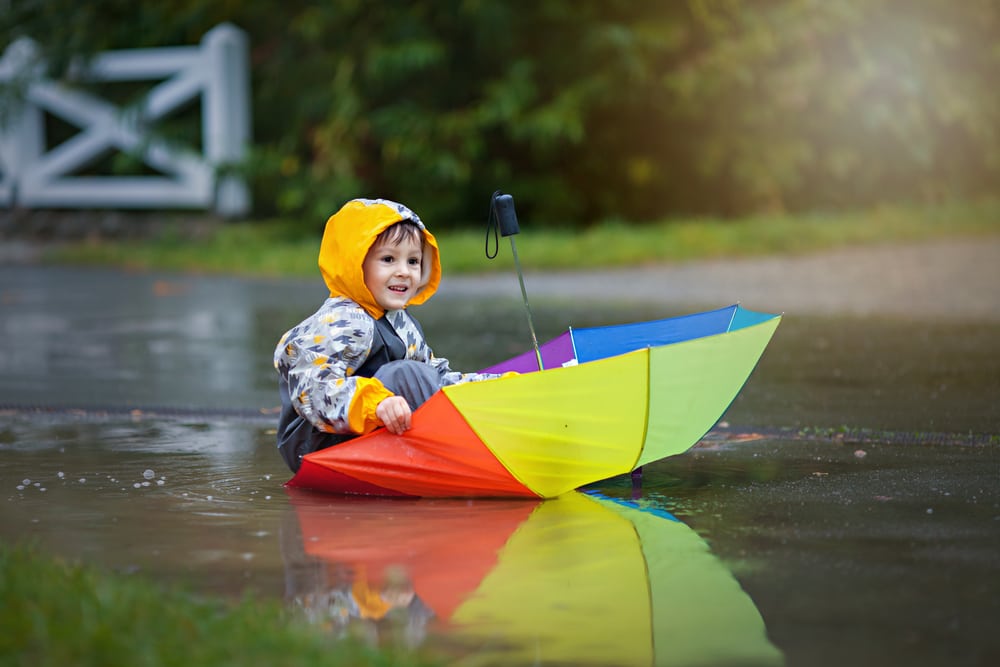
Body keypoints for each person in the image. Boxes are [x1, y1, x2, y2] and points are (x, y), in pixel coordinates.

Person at [273, 198, 503, 472]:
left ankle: (475, 439)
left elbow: (434, 379)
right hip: (316, 443)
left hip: (371, 433)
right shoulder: (342, 321)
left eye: (413, 261)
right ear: (356, 264)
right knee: (404, 375)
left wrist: (493, 388)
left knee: (418, 375)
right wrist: (376, 404)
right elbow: (313, 390)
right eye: (388, 259)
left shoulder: (401, 322)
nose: (404, 272)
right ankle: (466, 454)